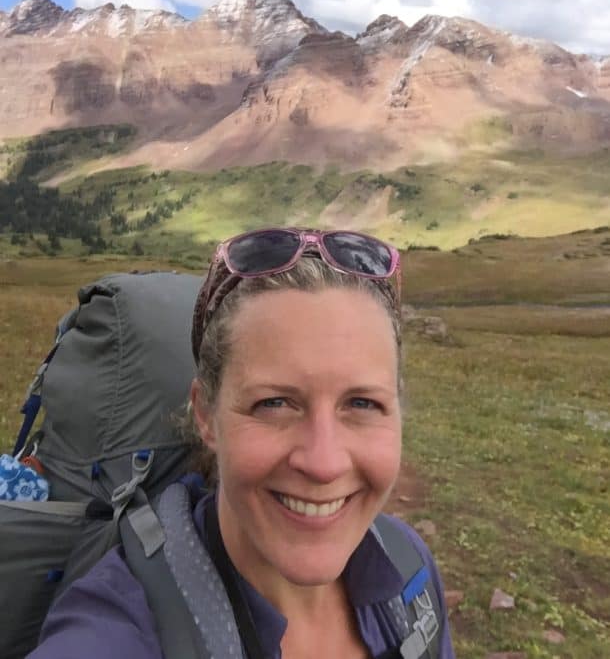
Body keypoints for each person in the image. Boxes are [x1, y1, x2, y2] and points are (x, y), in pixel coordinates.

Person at [29, 227, 455, 658]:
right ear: (205, 415)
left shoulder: (408, 570)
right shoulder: (119, 634)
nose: (324, 463)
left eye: (362, 403)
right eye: (274, 403)